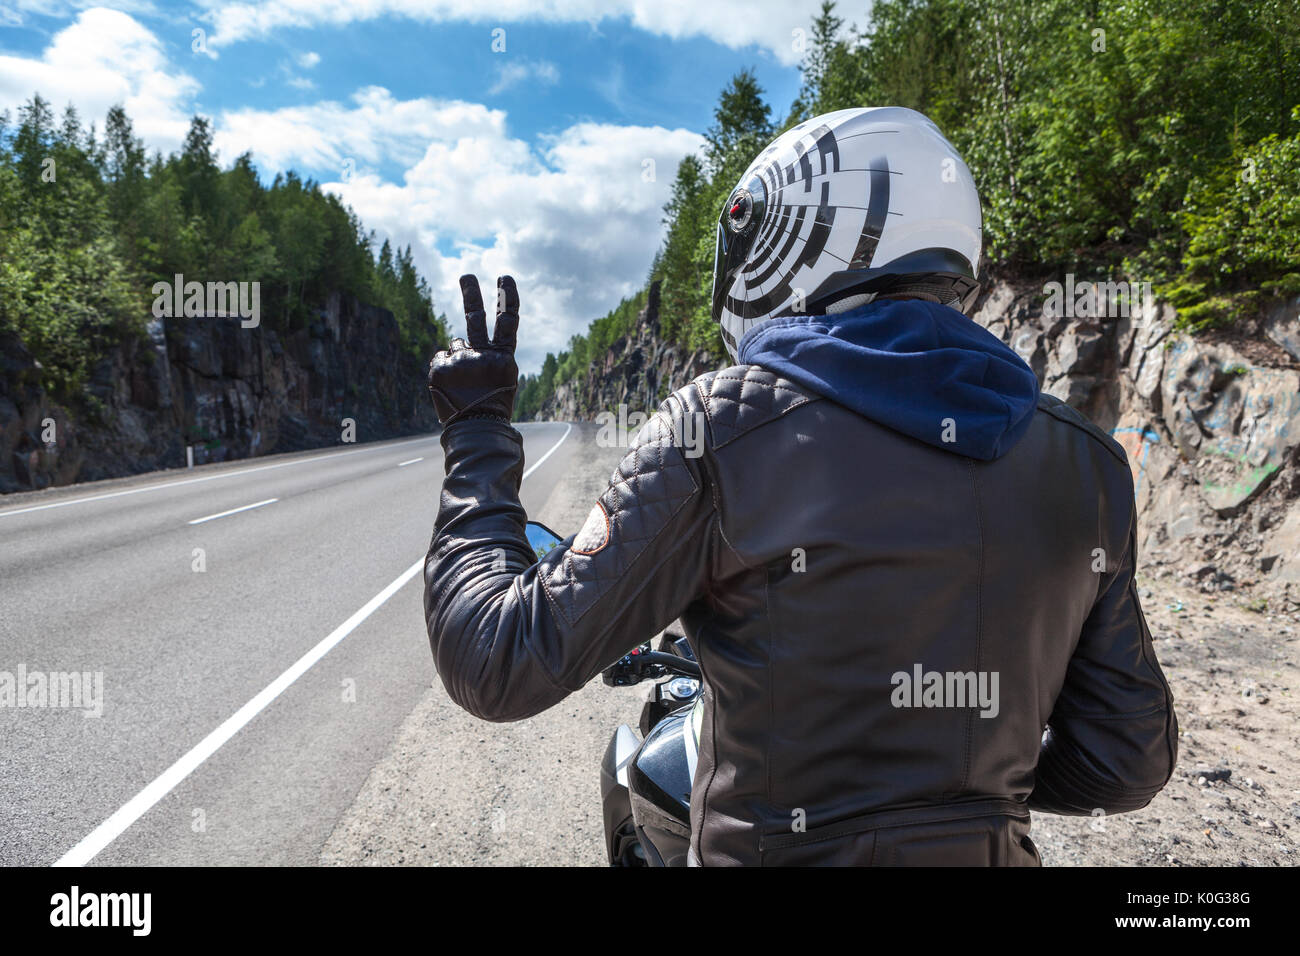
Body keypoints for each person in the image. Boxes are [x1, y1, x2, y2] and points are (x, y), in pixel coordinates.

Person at [423, 107, 1177, 866]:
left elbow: (496, 659)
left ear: (801, 231)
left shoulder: (721, 429)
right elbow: (1128, 758)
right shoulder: (1086, 459)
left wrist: (478, 433)